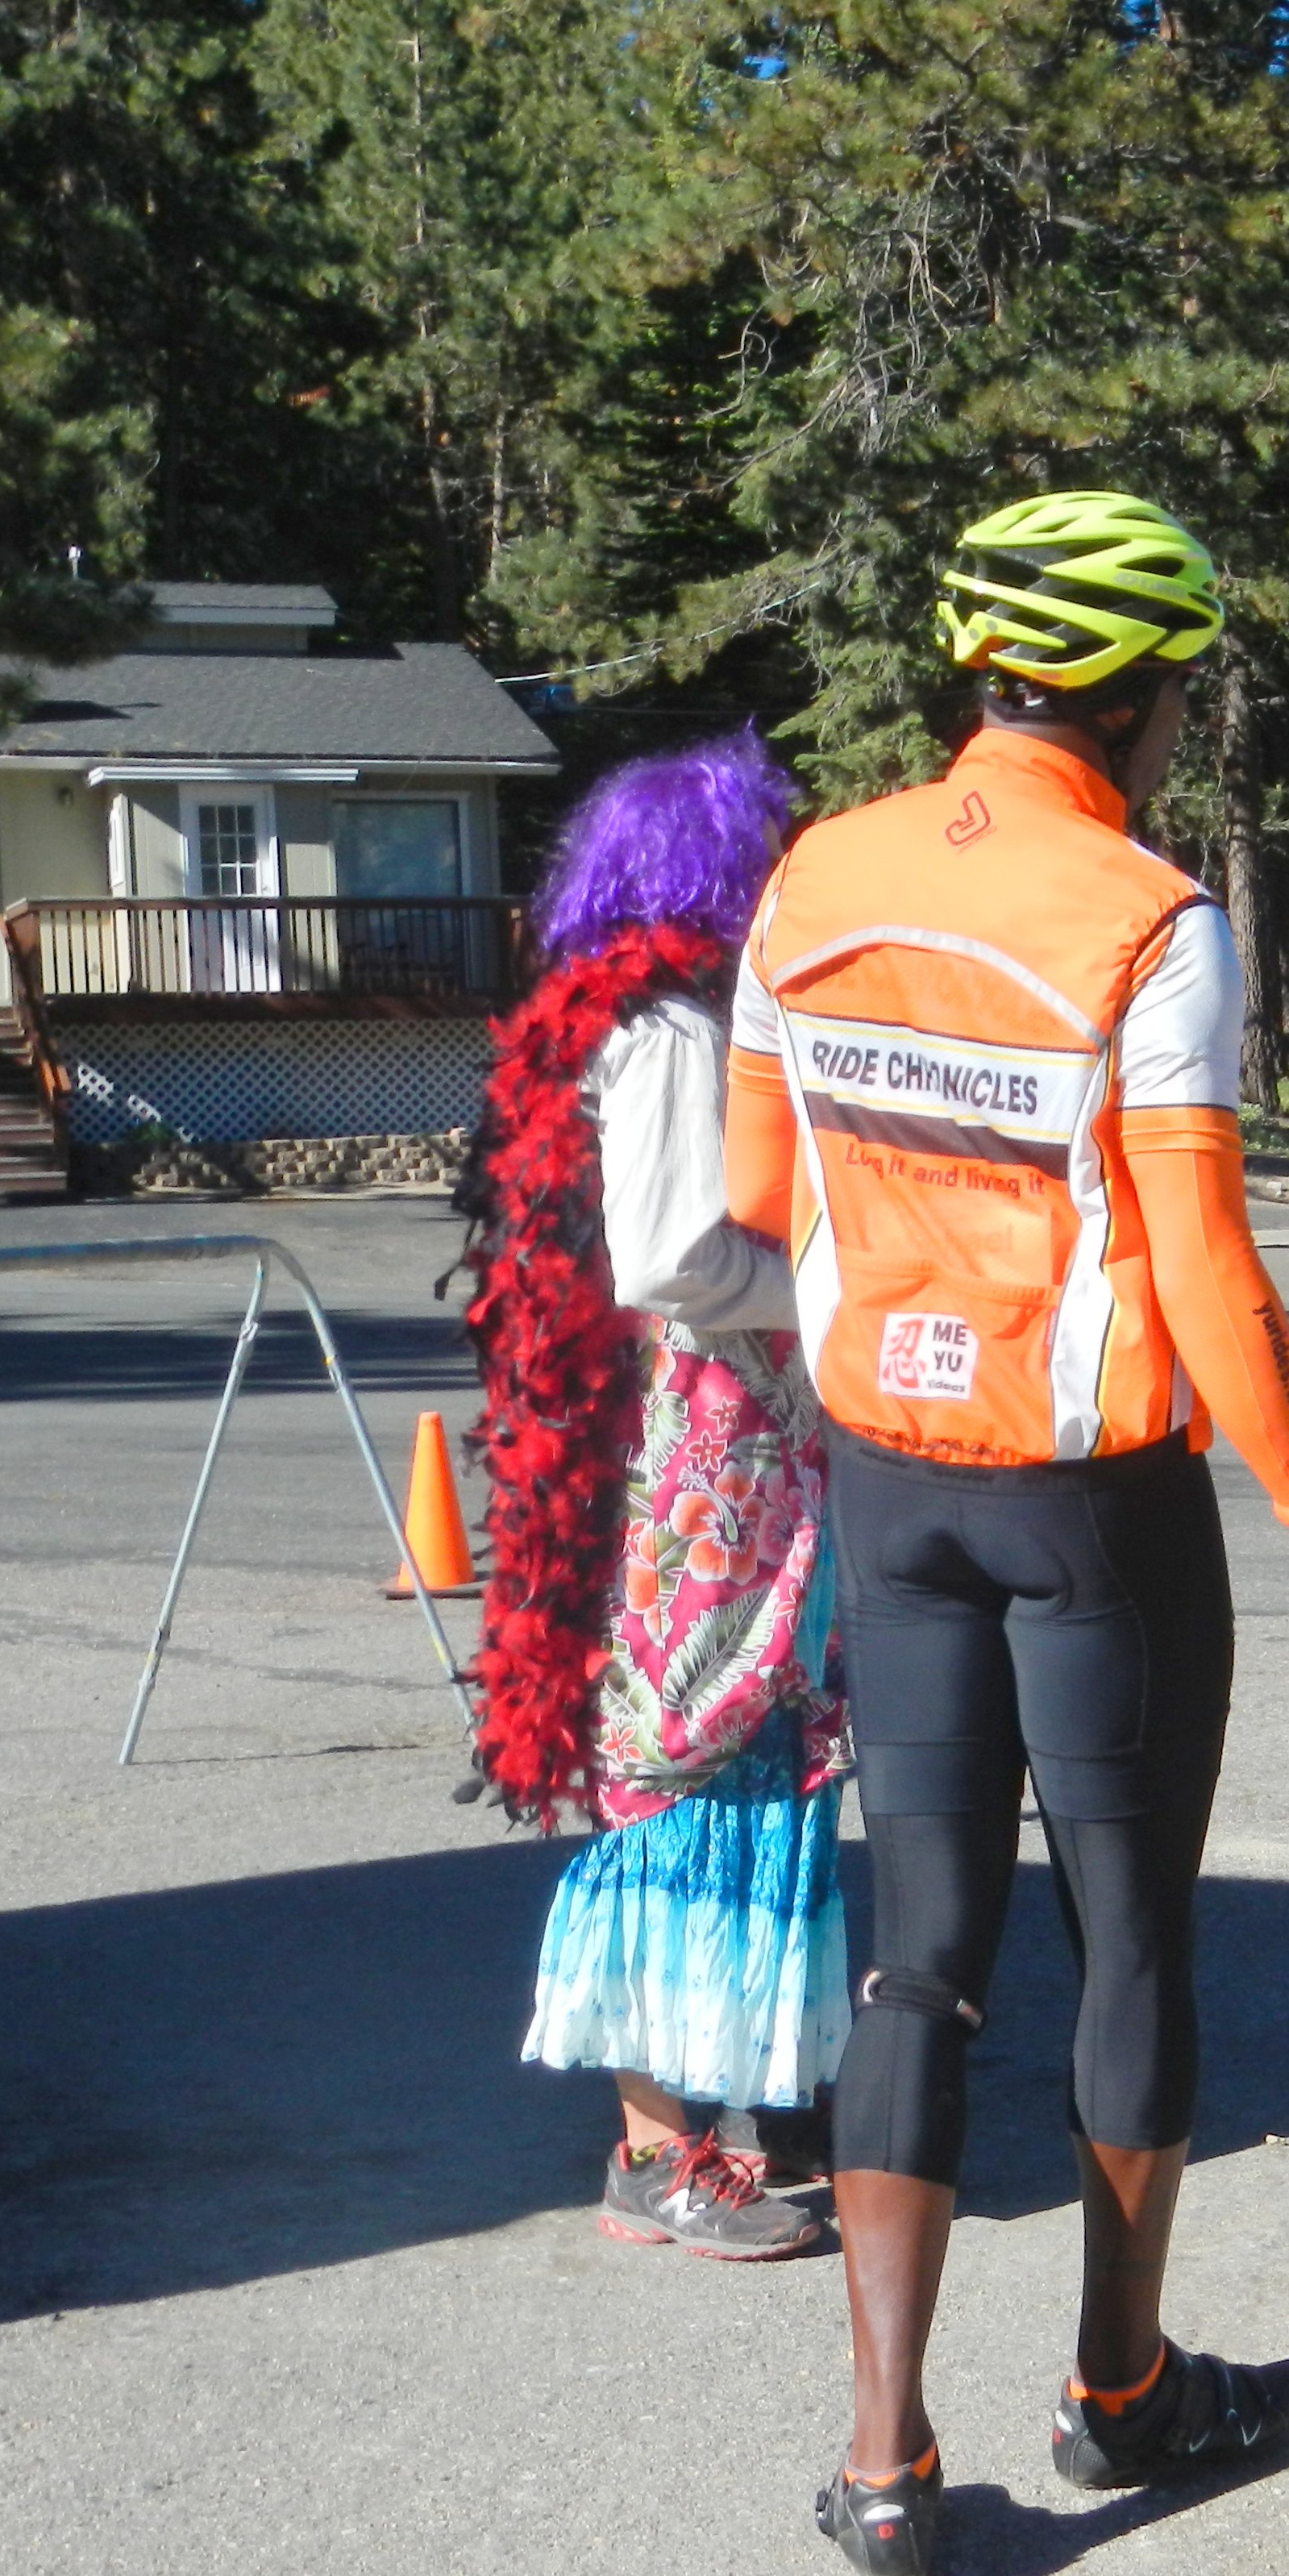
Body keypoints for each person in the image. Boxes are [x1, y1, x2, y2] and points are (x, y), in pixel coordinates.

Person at [722, 490, 1289, 2576]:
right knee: (1129, 1943)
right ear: (1138, 688)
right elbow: (1204, 1259)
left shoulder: (814, 875)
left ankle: (882, 2462)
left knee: (918, 1955)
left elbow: (763, 1186)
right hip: (1093, 1511)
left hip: (892, 1482)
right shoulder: (1150, 916)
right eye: (1184, 682)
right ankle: (1123, 2392)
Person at [459, 729, 854, 2262]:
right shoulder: (681, 1031)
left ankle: (736, 2102)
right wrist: (835, 1290)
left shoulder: (654, 1019)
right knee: (687, 1760)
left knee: (740, 1759)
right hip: (709, 1458)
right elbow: (680, 1257)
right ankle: (658, 2147)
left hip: (708, 1451)